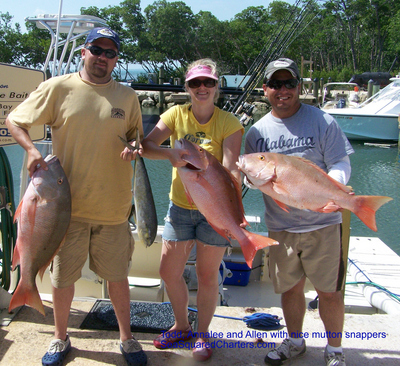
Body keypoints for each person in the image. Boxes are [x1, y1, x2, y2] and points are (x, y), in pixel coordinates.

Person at [6, 27, 147, 366]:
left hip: (113, 208)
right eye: (97, 49)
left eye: (110, 52)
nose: (103, 57)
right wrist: (28, 150)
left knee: (117, 277)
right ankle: (59, 338)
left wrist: (136, 148)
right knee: (63, 278)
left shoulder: (127, 97)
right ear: (83, 52)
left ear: (116, 59)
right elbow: (14, 120)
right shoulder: (58, 88)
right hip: (62, 210)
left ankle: (127, 340)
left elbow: (137, 140)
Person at [243, 58, 354, 366]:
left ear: (299, 87)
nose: (283, 90)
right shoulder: (256, 133)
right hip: (282, 228)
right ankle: (295, 342)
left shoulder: (323, 121)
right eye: (275, 84)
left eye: (289, 83)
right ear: (265, 90)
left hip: (324, 225)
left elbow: (340, 163)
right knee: (290, 291)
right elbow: (251, 176)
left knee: (329, 292)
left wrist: (338, 190)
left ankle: (334, 351)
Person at [141, 58, 244, 362]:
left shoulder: (230, 123)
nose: (202, 88)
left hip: (214, 212)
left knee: (207, 275)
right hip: (180, 208)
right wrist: (169, 154)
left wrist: (233, 218)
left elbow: (231, 175)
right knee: (168, 271)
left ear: (217, 87)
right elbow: (147, 146)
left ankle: (203, 333)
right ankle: (182, 325)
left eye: (208, 83)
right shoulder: (174, 115)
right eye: (195, 83)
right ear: (186, 87)